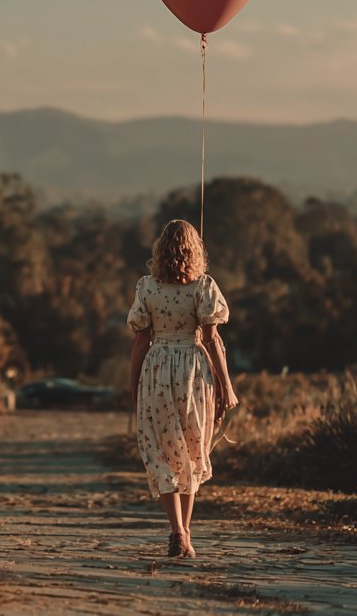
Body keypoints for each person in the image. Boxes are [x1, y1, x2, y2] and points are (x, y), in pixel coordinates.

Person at [126, 219, 238, 558]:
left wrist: (133, 386)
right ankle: (185, 533)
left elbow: (140, 340)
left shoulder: (146, 287)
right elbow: (211, 339)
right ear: (195, 249)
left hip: (157, 369)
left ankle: (176, 529)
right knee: (191, 450)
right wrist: (227, 386)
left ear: (160, 249)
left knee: (161, 452)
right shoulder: (203, 286)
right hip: (193, 371)